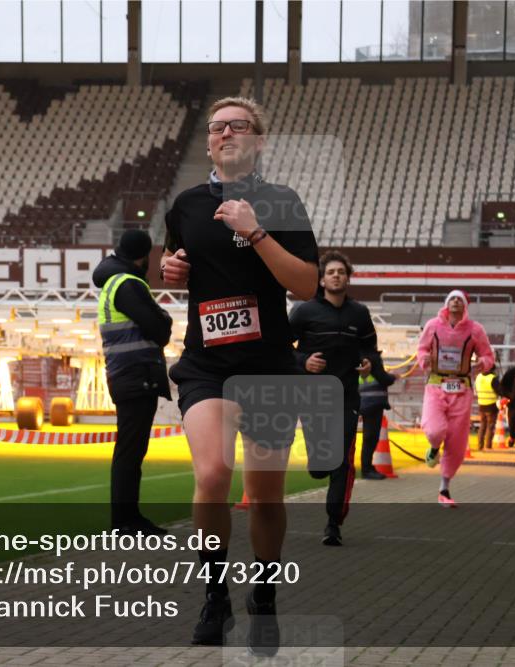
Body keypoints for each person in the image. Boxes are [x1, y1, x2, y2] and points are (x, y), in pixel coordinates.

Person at [159, 96, 318, 654]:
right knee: (211, 475)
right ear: (208, 141)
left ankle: (265, 594)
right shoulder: (185, 205)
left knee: (266, 495)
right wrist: (172, 269)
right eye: (217, 127)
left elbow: (304, 286)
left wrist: (256, 232)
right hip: (205, 364)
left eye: (238, 126)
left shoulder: (282, 202)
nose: (226, 134)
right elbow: (180, 266)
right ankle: (214, 595)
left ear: (258, 139)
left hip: (268, 366)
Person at [290, 251, 390, 547]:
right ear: (321, 279)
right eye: (331, 272)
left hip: (347, 397)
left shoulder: (359, 313)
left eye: (341, 272)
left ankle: (334, 523)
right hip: (312, 397)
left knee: (343, 460)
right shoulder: (304, 311)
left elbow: (370, 349)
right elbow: (281, 348)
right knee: (321, 465)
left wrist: (368, 363)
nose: (336, 275)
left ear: (348, 278)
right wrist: (304, 361)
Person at [94, 230, 173, 535]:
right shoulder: (129, 284)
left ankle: (126, 518)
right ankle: (125, 521)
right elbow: (160, 330)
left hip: (125, 374)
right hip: (136, 375)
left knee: (130, 449)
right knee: (130, 451)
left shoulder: (113, 282)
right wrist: (162, 317)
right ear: (143, 256)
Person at [416, 290, 495, 507]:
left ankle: (444, 487)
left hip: (462, 388)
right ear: (446, 304)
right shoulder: (433, 325)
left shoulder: (475, 330)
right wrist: (425, 360)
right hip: (436, 384)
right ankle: (433, 447)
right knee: (435, 430)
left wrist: (483, 364)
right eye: (452, 298)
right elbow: (421, 349)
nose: (456, 302)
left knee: (457, 441)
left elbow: (488, 354)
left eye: (460, 299)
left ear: (465, 306)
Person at [358, 355, 397, 479]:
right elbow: (385, 379)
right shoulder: (373, 358)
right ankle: (367, 469)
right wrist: (393, 376)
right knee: (370, 438)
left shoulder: (359, 355)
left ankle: (366, 468)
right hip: (373, 402)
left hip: (364, 402)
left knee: (368, 438)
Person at [474, 362, 501, 451]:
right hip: (491, 405)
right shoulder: (492, 378)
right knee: (490, 426)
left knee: (482, 426)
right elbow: (499, 391)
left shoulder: (478, 377)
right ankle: (488, 445)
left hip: (481, 404)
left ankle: (480, 446)